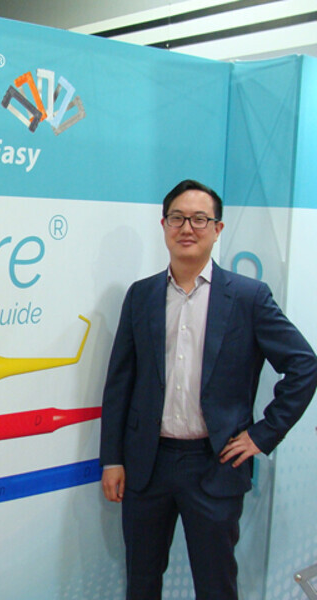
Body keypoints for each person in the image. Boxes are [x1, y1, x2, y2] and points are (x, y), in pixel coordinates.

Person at [99, 179, 317, 600]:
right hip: (147, 465)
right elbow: (119, 383)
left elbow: (304, 364)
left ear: (217, 229)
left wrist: (262, 435)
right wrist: (112, 459)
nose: (188, 228)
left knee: (216, 586)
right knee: (141, 582)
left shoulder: (249, 297)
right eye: (178, 218)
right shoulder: (141, 296)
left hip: (215, 464)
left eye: (200, 219)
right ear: (164, 225)